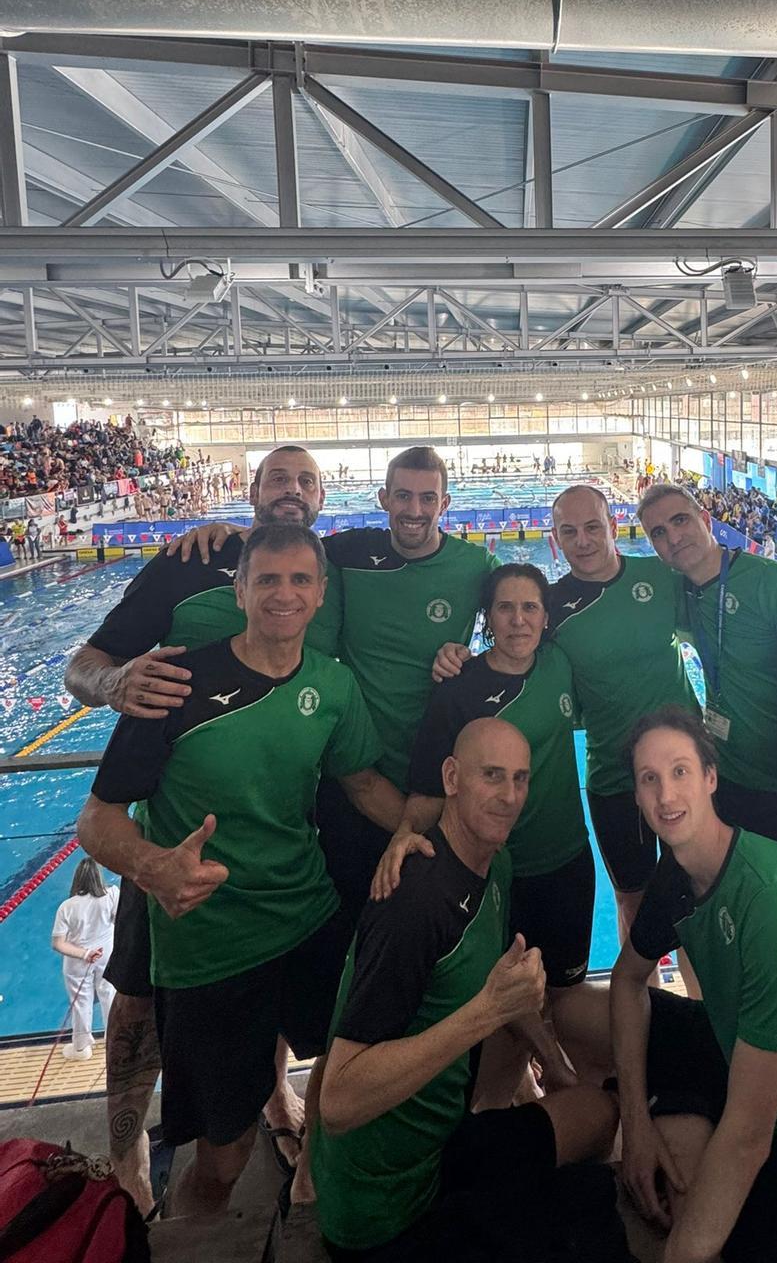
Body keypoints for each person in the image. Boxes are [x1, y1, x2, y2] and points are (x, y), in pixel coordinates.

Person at [77, 523, 407, 1218]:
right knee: (223, 1162)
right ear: (239, 590)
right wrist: (153, 867)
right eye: (267, 580)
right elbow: (96, 821)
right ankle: (186, 1233)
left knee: (346, 1067)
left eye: (299, 581)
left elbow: (363, 784)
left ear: (320, 595)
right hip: (212, 950)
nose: (283, 595)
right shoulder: (175, 683)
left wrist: (429, 831)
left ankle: (313, 1159)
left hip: (308, 919)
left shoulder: (333, 686)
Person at [65, 444, 333, 1210]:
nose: (291, 491)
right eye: (276, 478)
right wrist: (114, 682)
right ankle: (125, 1157)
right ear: (252, 491)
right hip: (174, 835)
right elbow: (82, 665)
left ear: (321, 498)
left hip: (283, 822)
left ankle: (276, 1097)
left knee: (276, 967)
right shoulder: (188, 563)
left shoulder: (327, 567)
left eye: (305, 481)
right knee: (140, 996)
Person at [312, 718, 618, 1260]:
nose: (508, 796)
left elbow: (501, 991)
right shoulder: (415, 902)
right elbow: (337, 1101)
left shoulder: (494, 864)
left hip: (443, 1149)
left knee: (597, 1113)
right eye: (492, 776)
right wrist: (486, 1012)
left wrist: (558, 1069)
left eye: (520, 779)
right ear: (451, 777)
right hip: (382, 1211)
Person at [168, 447, 501, 917]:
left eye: (428, 498)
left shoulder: (476, 566)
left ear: (445, 504)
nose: (414, 510)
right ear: (384, 498)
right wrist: (230, 535)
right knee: (352, 912)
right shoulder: (347, 553)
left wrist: (470, 657)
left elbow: (516, 634)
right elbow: (283, 544)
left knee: (432, 917)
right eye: (402, 496)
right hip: (353, 773)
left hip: (438, 771)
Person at [611, 707, 777, 1262]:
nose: (666, 795)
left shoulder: (776, 906)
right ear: (637, 797)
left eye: (680, 771)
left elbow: (747, 1139)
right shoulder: (679, 874)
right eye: (650, 779)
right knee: (575, 1014)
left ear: (711, 778)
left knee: (667, 1233)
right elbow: (624, 981)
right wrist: (634, 1124)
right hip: (743, 1058)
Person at [435, 484, 696, 944]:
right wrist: (457, 655)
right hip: (615, 778)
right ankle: (644, 1001)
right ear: (554, 539)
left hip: (686, 769)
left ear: (614, 527)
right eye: (569, 531)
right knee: (632, 900)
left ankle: (698, 1005)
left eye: (593, 527)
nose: (583, 540)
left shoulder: (661, 577)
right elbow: (512, 655)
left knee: (698, 894)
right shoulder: (550, 610)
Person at [382, 564, 602, 1080]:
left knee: (565, 993)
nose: (519, 620)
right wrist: (402, 838)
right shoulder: (459, 688)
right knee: (505, 1002)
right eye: (505, 607)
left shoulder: (559, 663)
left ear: (546, 617)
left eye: (530, 608)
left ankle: (554, 1088)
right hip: (494, 876)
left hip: (568, 860)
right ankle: (510, 1094)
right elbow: (429, 788)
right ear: (488, 617)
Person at [637, 483, 777, 860]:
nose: (674, 537)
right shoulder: (677, 592)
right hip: (723, 777)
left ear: (706, 519)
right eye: (658, 533)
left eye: (681, 520)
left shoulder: (773, 583)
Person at [51, 856, 119, 1061]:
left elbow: (58, 943)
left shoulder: (67, 907)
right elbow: (121, 922)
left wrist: (85, 954)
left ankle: (81, 1048)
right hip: (107, 955)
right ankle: (114, 1041)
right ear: (99, 877)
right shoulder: (112, 895)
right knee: (109, 996)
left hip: (77, 961)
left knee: (81, 1002)